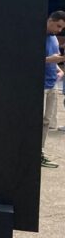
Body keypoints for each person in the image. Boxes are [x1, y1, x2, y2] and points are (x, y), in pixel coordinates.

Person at [42, 11, 65, 167]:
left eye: (62, 28)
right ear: (50, 20)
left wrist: (59, 69)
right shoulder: (37, 35)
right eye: (58, 26)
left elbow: (53, 58)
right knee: (37, 121)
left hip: (52, 84)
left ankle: (40, 151)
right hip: (41, 86)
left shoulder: (53, 39)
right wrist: (54, 60)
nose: (59, 30)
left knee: (46, 121)